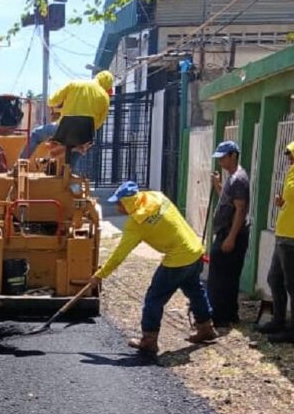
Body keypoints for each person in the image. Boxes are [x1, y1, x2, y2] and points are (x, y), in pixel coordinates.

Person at [89, 181, 216, 353]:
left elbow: (120, 254)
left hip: (177, 260)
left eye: (119, 203)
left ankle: (149, 340)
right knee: (195, 290)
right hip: (195, 251)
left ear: (128, 202)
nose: (117, 208)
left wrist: (100, 275)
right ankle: (206, 328)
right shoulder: (158, 197)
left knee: (154, 299)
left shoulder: (136, 224)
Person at [207, 141, 250, 327]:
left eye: (223, 158)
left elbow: (240, 210)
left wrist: (231, 237)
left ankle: (220, 316)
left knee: (221, 278)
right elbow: (227, 202)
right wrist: (217, 185)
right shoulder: (232, 178)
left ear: (233, 155)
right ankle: (228, 314)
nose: (221, 162)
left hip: (231, 235)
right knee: (225, 276)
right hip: (226, 233)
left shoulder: (239, 179)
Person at [259, 141, 294, 343]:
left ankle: (291, 329)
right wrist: (284, 202)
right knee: (274, 278)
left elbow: (292, 191)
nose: (289, 160)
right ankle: (278, 319)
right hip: (283, 235)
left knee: (291, 284)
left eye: (291, 156)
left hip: (291, 238)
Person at [47, 71, 114, 169]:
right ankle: (69, 171)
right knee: (81, 146)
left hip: (63, 130)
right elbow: (98, 123)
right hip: (84, 135)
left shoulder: (74, 84)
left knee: (37, 134)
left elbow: (51, 101)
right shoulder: (105, 97)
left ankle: (24, 160)